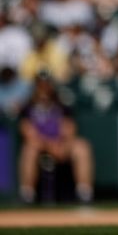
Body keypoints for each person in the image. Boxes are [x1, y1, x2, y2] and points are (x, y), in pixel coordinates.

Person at [18, 72, 94, 204]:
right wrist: (49, 145)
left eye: (46, 85)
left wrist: (60, 145)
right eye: (41, 85)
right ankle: (27, 193)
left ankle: (84, 192)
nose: (44, 89)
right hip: (40, 146)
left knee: (81, 146)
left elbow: (69, 129)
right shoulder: (28, 107)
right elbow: (28, 132)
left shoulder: (61, 105)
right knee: (30, 148)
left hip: (60, 144)